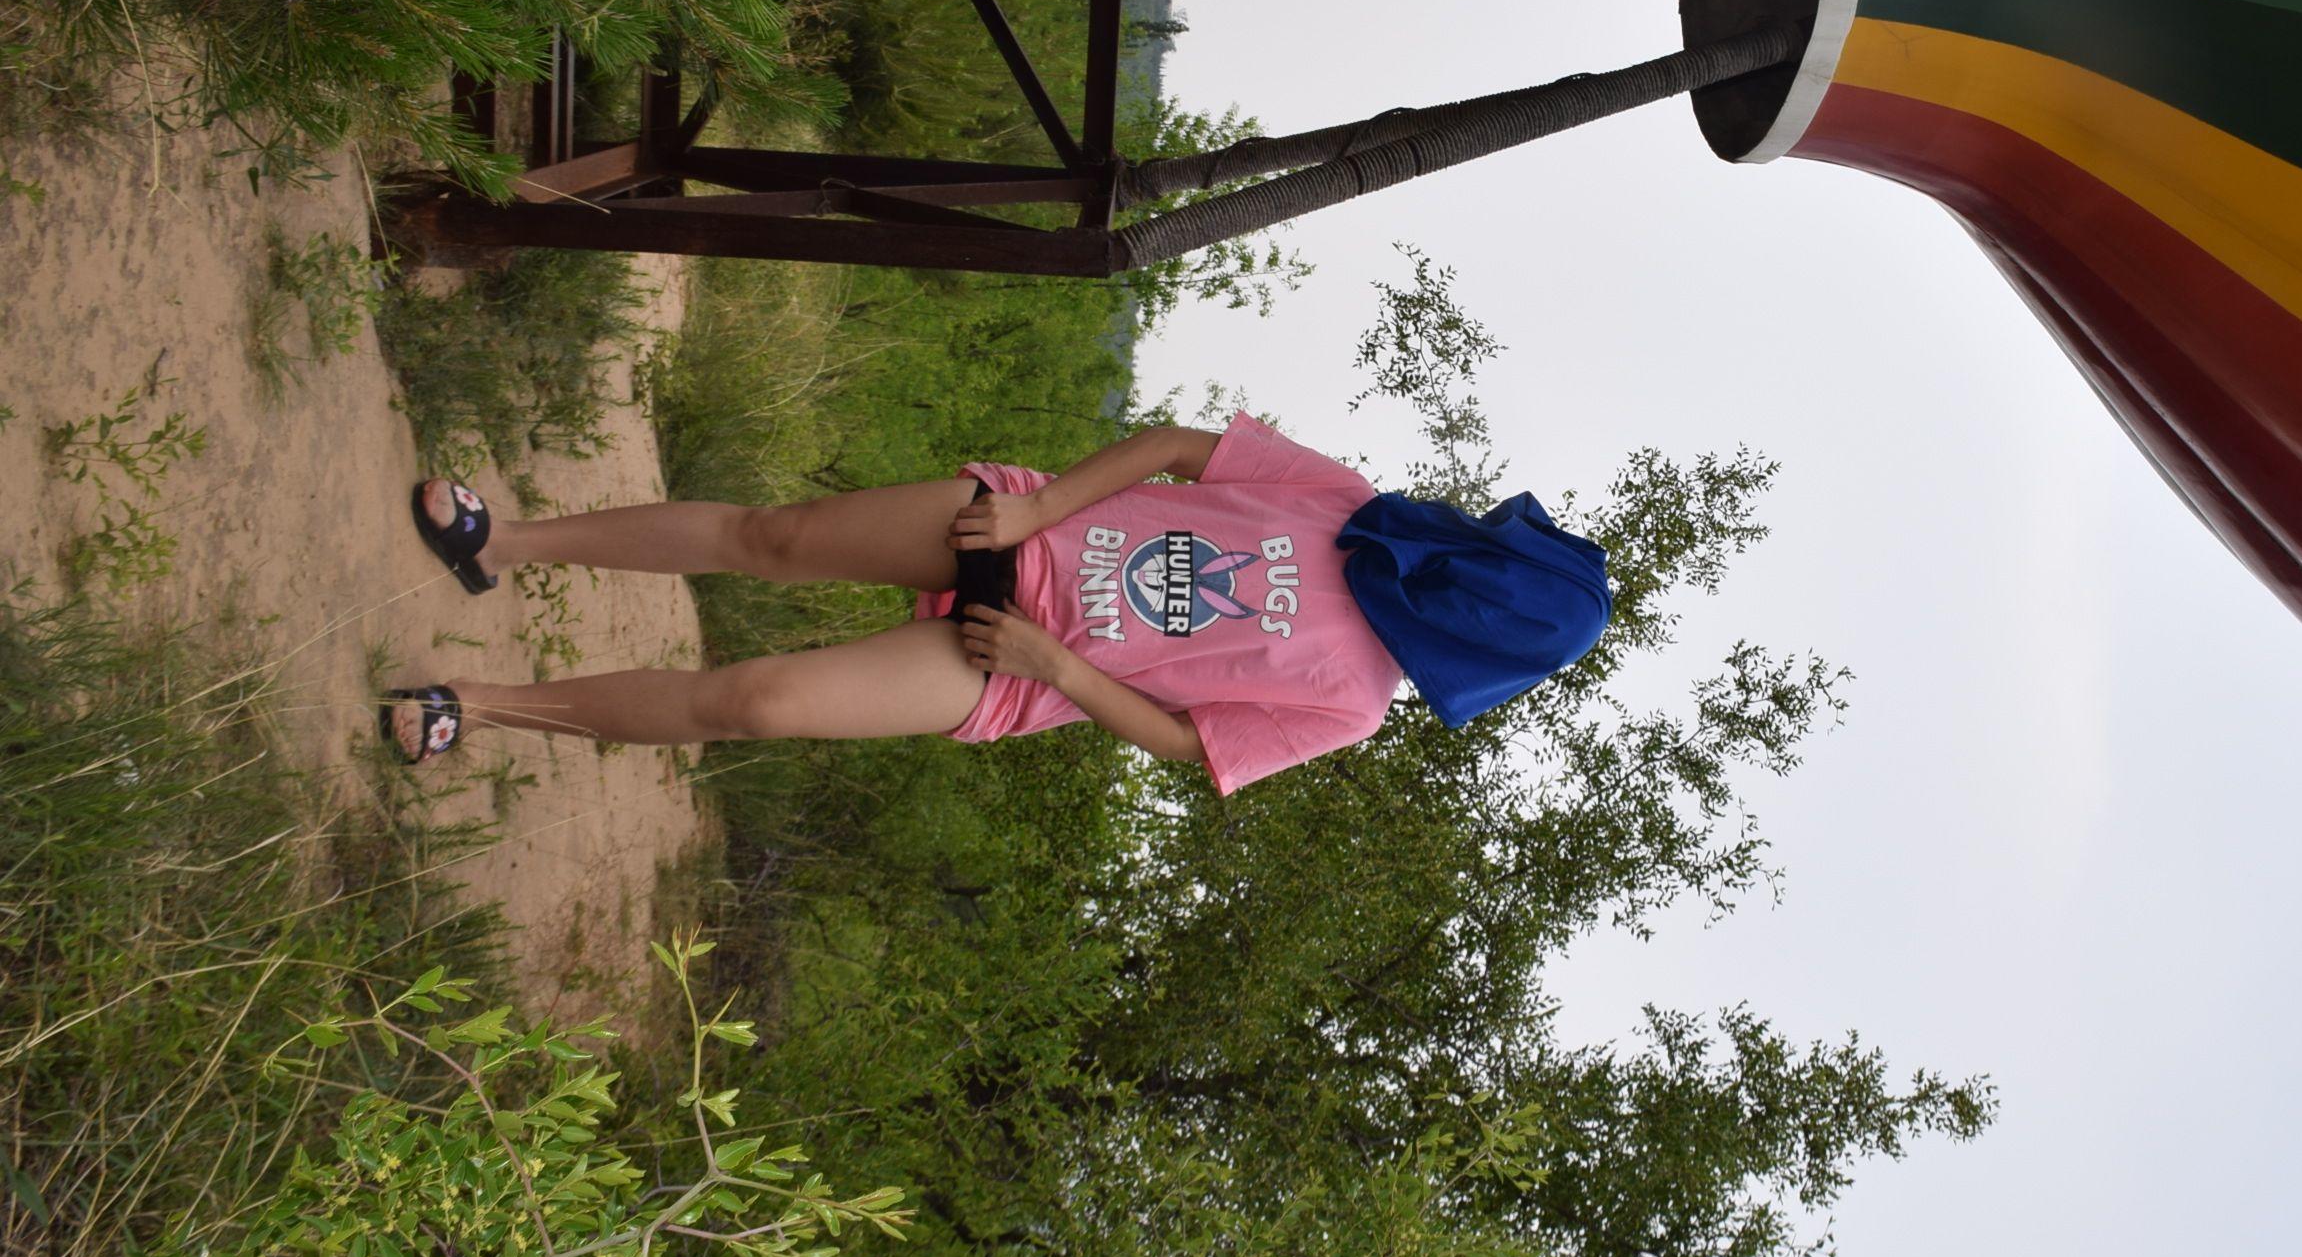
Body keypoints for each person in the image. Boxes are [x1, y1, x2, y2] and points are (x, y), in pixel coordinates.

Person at [383, 413, 1612, 796]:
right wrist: (1036, 511)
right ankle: (504, 543)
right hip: (1015, 526)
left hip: (1011, 664)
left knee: (753, 702)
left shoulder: (1351, 704)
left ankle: (472, 706)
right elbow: (1175, 446)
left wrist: (1055, 666)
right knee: (772, 537)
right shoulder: (1347, 503)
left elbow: (1188, 742)